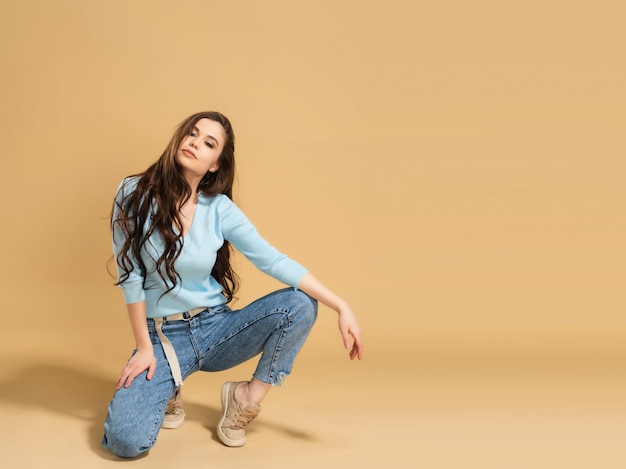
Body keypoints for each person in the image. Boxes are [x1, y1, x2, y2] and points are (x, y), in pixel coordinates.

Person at [101, 111, 363, 458]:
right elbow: (130, 274)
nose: (195, 142)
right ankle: (169, 388)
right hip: (163, 337)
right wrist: (144, 347)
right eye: (192, 134)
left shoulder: (218, 209)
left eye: (209, 143)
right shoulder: (132, 192)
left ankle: (244, 399)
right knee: (125, 442)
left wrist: (341, 306)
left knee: (299, 304)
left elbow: (273, 260)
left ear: (215, 165)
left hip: (216, 328)